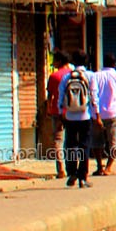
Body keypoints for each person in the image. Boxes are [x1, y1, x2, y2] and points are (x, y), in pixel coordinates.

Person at [53, 52, 97, 188]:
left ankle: (72, 173)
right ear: (86, 61)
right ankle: (82, 177)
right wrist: (97, 115)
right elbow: (94, 98)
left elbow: (60, 98)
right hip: (85, 116)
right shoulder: (90, 76)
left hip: (70, 116)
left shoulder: (67, 77)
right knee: (84, 146)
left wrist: (61, 115)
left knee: (70, 145)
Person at [92, 56, 116, 176]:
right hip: (113, 113)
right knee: (115, 141)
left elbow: (92, 94)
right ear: (115, 64)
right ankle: (108, 167)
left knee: (97, 141)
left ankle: (99, 167)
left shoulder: (95, 76)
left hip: (97, 114)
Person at [44, 51, 75, 180]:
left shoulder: (54, 76)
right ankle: (73, 167)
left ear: (59, 62)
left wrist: (48, 109)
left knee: (58, 140)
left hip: (57, 112)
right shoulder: (72, 75)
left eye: (55, 61)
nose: (53, 63)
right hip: (73, 112)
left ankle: (61, 169)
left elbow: (50, 96)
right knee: (72, 140)